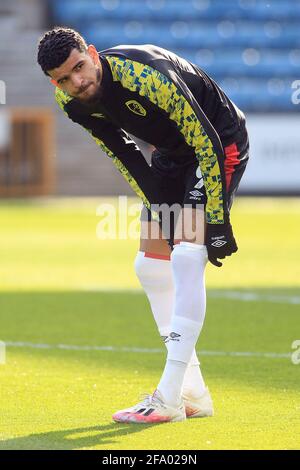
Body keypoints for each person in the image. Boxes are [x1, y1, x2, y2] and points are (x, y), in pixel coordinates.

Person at [37, 27, 249, 424]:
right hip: (171, 156)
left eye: (80, 68)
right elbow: (124, 155)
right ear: (55, 81)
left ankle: (168, 397)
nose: (77, 82)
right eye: (64, 78)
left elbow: (205, 140)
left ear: (93, 54)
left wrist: (216, 221)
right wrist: (159, 205)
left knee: (187, 255)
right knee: (150, 266)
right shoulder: (71, 102)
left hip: (218, 143)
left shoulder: (144, 74)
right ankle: (195, 393)